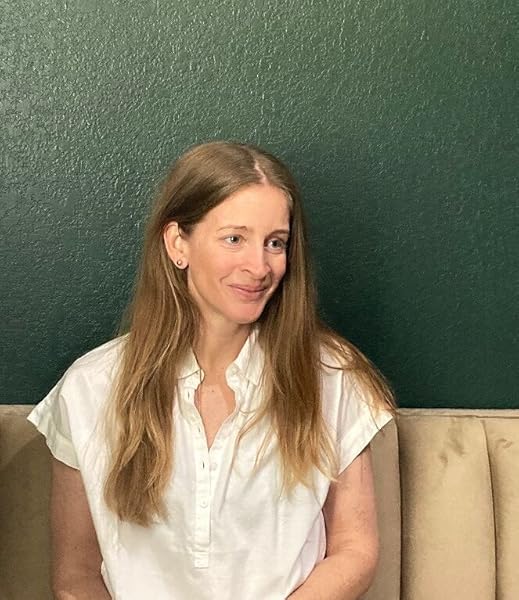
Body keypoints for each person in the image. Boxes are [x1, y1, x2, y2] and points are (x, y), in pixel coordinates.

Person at [28, 141, 396, 600]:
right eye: (234, 238)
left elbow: (355, 550)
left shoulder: (334, 376)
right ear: (177, 243)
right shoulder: (90, 387)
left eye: (275, 243)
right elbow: (76, 575)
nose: (259, 266)